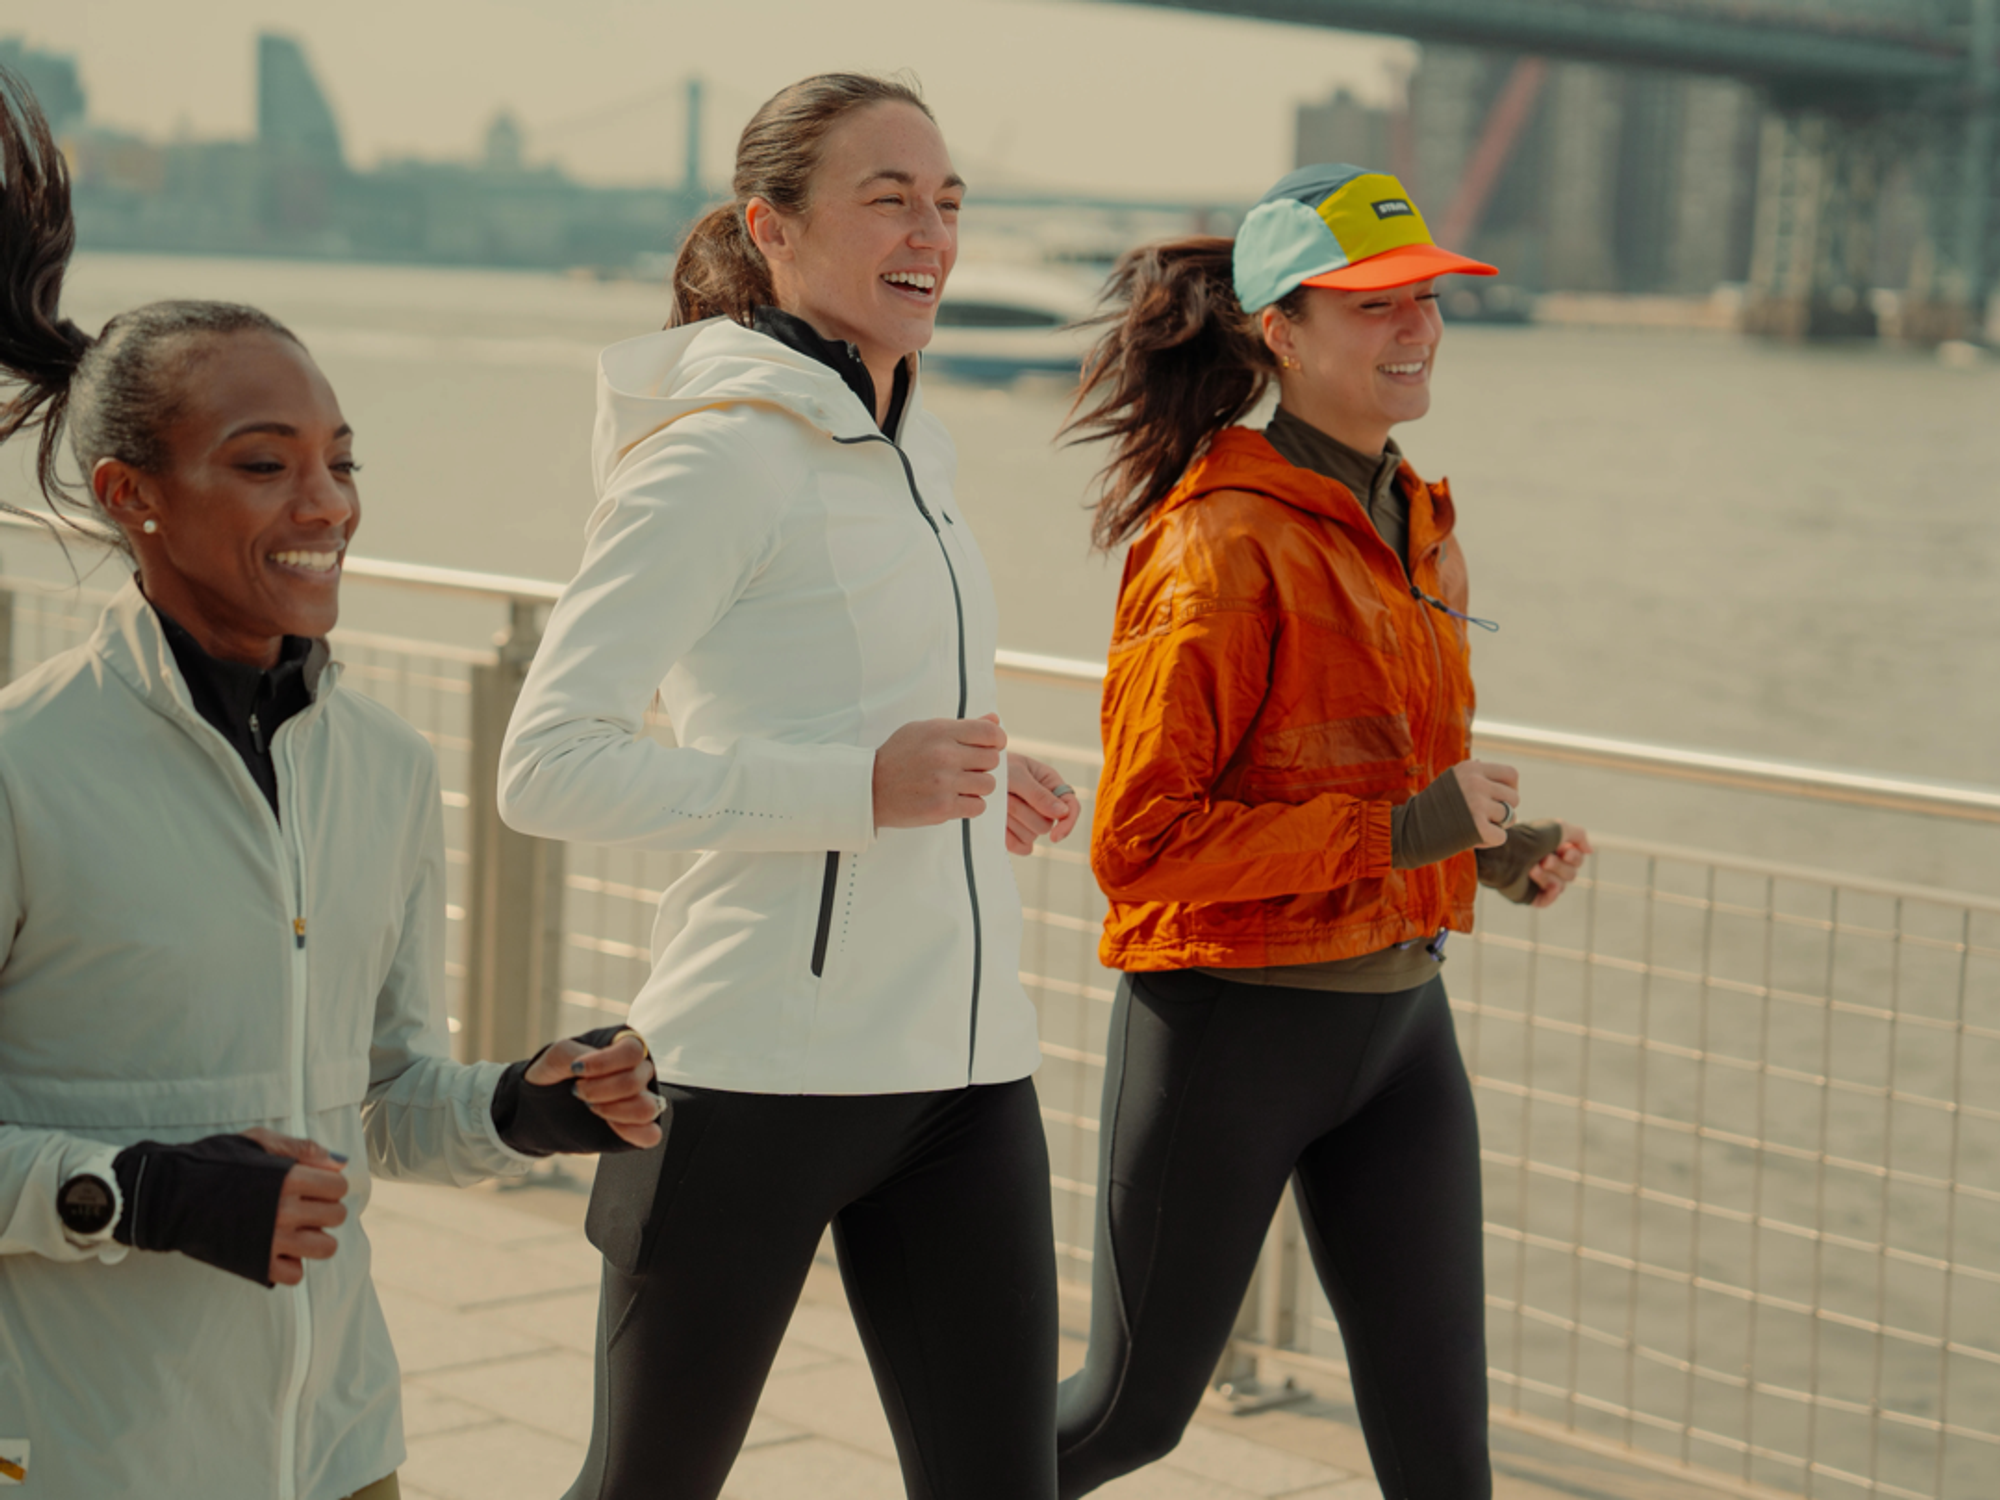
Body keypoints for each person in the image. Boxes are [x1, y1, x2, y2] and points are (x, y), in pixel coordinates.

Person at [0, 76, 662, 1500]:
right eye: (265, 465)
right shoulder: (19, 770)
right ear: (129, 496)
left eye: (342, 463)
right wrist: (141, 1193)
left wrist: (525, 1104)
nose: (328, 507)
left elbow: (383, 1095)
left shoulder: (387, 765)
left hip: (344, 1447)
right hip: (91, 1456)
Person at [497, 72, 1079, 1500]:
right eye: (888, 199)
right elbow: (547, 765)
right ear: (772, 227)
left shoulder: (916, 439)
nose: (931, 233)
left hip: (964, 1072)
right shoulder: (715, 459)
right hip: (753, 1073)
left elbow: (855, 707)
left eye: (947, 202)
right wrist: (854, 790)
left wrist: (976, 776)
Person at [1054, 165, 1594, 1500]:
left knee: (1444, 1461)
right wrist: (1403, 828)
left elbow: (1377, 775)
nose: (1418, 328)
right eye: (1375, 304)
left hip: (1403, 1034)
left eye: (1427, 299)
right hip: (1231, 1034)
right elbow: (1142, 843)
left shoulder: (1419, 522)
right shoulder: (1219, 543)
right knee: (1122, 1421)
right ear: (1280, 332)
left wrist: (1484, 850)